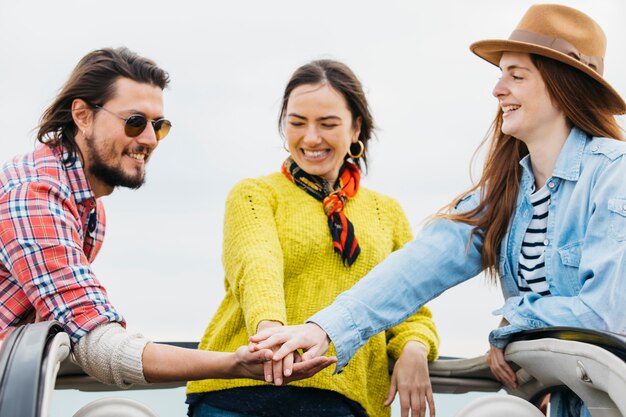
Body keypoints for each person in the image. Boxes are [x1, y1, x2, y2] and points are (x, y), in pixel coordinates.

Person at [250, 5, 626, 417]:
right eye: (500, 75)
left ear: (562, 86)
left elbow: (603, 317)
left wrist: (512, 326)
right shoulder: (504, 193)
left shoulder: (614, 174)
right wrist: (323, 329)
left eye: (516, 76)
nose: (498, 90)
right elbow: (416, 268)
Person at [0, 47, 334, 388]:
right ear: (83, 116)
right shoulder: (35, 195)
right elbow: (96, 340)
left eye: (159, 126)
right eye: (134, 122)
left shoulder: (88, 207)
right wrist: (234, 364)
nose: (149, 139)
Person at [186, 60, 440, 417]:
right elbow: (257, 265)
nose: (310, 138)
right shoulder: (254, 194)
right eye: (297, 122)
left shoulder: (387, 212)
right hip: (242, 390)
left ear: (356, 129)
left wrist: (414, 349)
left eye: (328, 124)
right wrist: (272, 334)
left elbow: (409, 302)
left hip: (345, 399)